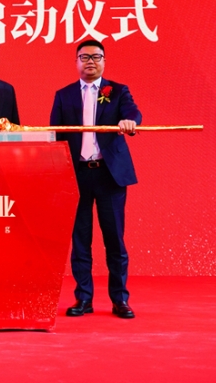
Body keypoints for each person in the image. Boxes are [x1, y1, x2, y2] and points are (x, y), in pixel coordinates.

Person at [50, 39, 141, 319]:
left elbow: (133, 113)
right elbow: (55, 135)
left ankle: (120, 299)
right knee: (80, 240)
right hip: (76, 175)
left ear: (104, 61)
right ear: (76, 61)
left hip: (109, 175)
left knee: (114, 239)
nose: (90, 61)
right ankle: (83, 298)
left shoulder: (118, 91)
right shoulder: (64, 95)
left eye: (96, 57)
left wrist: (129, 122)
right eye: (84, 57)